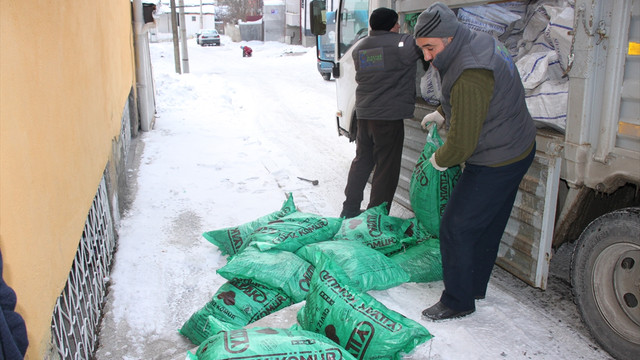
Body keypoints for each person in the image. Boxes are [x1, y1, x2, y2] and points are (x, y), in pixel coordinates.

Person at [413, 2, 536, 321]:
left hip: (497, 156)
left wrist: (438, 161)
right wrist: (442, 112)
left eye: (430, 48)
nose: (427, 56)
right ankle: (474, 285)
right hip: (517, 144)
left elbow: (463, 144)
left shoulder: (470, 69)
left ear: (449, 38)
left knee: (456, 226)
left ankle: (457, 299)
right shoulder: (478, 40)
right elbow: (477, 98)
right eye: (422, 49)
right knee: (488, 223)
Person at [340, 7, 422, 218]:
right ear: (391, 25)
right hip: (388, 119)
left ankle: (349, 209)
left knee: (362, 162)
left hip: (365, 115)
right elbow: (422, 47)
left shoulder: (361, 47)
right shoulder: (401, 44)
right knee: (386, 168)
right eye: (396, 23)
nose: (399, 26)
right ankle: (375, 218)